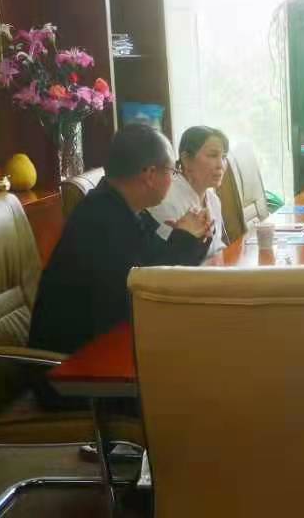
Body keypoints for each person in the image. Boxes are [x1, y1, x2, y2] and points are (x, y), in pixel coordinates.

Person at [29, 124, 213, 405]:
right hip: (73, 374)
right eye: (171, 171)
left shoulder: (123, 208)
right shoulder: (100, 219)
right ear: (150, 175)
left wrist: (194, 237)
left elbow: (157, 264)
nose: (174, 177)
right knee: (192, 384)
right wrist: (183, 238)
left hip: (103, 353)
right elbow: (142, 288)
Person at [148, 126, 229, 257]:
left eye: (224, 157)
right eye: (213, 155)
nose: (221, 165)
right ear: (186, 160)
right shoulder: (166, 200)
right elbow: (169, 260)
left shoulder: (213, 200)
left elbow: (217, 250)